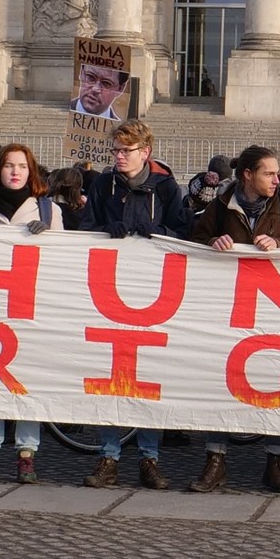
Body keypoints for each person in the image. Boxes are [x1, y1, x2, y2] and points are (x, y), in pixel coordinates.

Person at [192, 144, 280, 494]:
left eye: (276, 173)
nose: (277, 179)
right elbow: (194, 242)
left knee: (278, 381)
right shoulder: (219, 206)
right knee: (221, 378)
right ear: (248, 175)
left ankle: (275, 462)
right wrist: (214, 240)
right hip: (230, 310)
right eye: (269, 173)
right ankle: (215, 459)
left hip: (276, 309)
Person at [80, 118, 186, 489]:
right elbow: (85, 228)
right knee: (112, 378)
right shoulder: (102, 184)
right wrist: (103, 230)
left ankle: (149, 458)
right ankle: (108, 455)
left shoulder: (167, 187)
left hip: (154, 292)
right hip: (109, 291)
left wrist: (158, 234)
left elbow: (184, 232)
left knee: (148, 379)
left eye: (126, 151)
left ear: (145, 153)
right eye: (116, 150)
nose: (119, 156)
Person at [0, 143, 61, 483]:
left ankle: (26, 452)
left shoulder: (48, 211)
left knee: (25, 381)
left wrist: (48, 237)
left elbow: (64, 258)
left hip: (30, 308)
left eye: (22, 166)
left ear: (31, 171)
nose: (15, 172)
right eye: (9, 166)